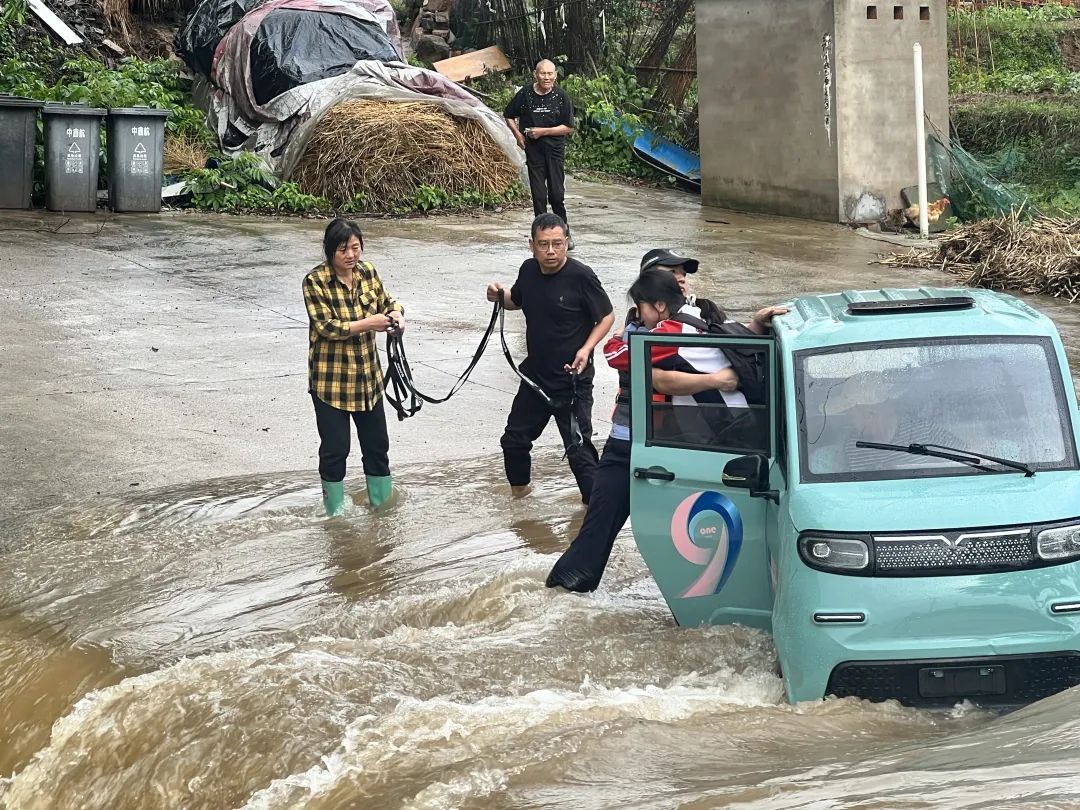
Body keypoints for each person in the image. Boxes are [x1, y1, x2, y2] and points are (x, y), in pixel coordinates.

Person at [546, 269, 787, 593]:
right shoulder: (696, 314)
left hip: (701, 442)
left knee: (601, 524)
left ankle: (566, 587)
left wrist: (629, 328)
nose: (640, 315)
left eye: (640, 307)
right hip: (719, 441)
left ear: (658, 306)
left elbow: (616, 354)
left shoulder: (672, 332)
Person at [486, 212, 614, 504]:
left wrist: (586, 349)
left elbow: (606, 316)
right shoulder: (529, 270)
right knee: (514, 442)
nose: (551, 251)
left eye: (557, 243)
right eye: (544, 244)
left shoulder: (582, 276)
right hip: (535, 378)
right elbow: (515, 301)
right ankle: (521, 499)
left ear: (567, 242)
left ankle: (596, 512)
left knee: (578, 451)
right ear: (531, 244)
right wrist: (498, 295)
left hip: (571, 380)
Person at [303, 219, 405, 516]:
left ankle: (382, 508)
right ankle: (335, 513)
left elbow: (387, 302)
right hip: (331, 382)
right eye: (343, 249)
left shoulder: (368, 272)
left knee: (378, 447)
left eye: (355, 247)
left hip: (368, 380)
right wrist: (369, 324)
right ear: (329, 251)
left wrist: (397, 314)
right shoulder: (315, 281)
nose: (350, 255)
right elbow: (326, 327)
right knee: (336, 449)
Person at [504, 60, 577, 249]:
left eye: (550, 74)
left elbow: (568, 127)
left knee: (556, 194)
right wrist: (518, 136)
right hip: (534, 150)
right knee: (538, 195)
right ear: (535, 74)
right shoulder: (526, 94)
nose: (547, 78)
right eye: (543, 74)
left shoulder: (561, 96)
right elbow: (508, 114)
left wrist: (542, 131)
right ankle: (540, 237)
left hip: (554, 150)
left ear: (555, 75)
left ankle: (564, 235)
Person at [639, 247, 725, 326]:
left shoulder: (707, 315)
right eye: (672, 272)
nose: (682, 279)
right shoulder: (631, 327)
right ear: (647, 282)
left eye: (684, 274)